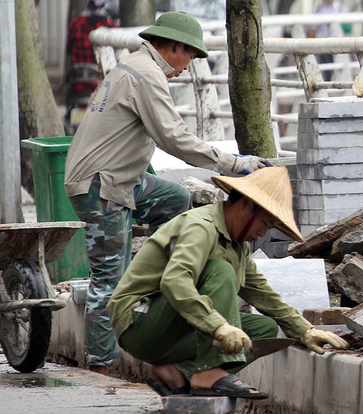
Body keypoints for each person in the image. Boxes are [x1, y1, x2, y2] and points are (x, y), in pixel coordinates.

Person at [64, 12, 269, 376]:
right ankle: (100, 368)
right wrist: (233, 164)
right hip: (102, 186)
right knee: (109, 279)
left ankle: (170, 280)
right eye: (189, 56)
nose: (189, 66)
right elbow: (173, 138)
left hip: (123, 179)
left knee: (175, 199)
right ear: (174, 47)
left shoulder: (135, 65)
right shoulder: (147, 75)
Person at [109, 166, 347, 398]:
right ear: (245, 205)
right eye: (264, 223)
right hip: (139, 323)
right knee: (221, 270)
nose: (263, 233)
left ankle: (178, 373)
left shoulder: (238, 245)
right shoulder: (201, 227)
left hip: (170, 333)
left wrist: (304, 330)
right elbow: (174, 281)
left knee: (263, 329)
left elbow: (261, 292)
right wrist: (219, 327)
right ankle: (209, 374)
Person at [65, 0, 118, 69]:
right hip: (102, 78)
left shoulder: (75, 24)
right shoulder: (112, 27)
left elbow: (69, 50)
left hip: (78, 75)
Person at [305, 0, 337, 68]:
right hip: (322, 41)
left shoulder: (336, 9)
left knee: (332, 64)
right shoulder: (320, 10)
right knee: (324, 64)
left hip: (333, 41)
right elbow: (313, 28)